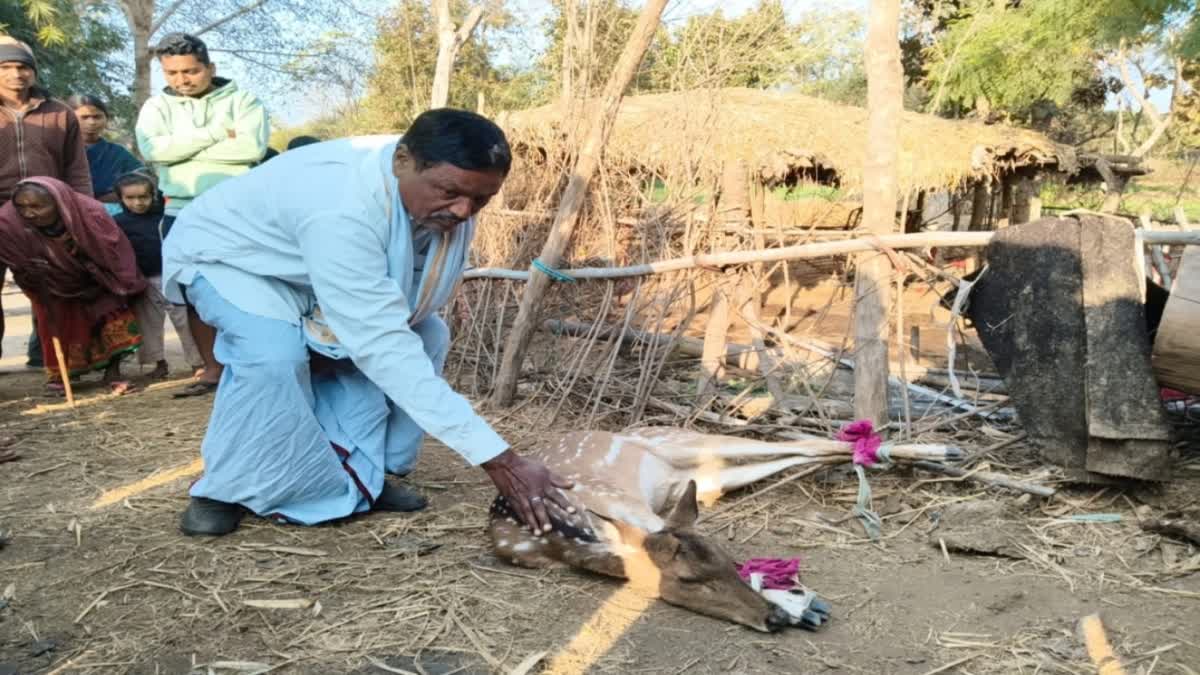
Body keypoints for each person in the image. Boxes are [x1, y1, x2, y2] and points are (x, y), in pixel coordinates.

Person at [162, 109, 574, 537]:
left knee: (428, 334)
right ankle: (221, 490)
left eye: (481, 200)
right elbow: (381, 342)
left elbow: (407, 299)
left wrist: (348, 341)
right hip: (234, 258)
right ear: (402, 161)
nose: (464, 211)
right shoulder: (341, 205)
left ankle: (365, 474)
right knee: (272, 355)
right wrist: (501, 461)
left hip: (304, 266)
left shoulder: (446, 198)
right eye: (450, 192)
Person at [135, 32, 269, 397]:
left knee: (252, 285)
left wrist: (181, 150)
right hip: (181, 210)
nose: (182, 80)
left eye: (191, 71)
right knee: (192, 291)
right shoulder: (155, 108)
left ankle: (256, 364)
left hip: (238, 209)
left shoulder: (243, 101)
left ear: (210, 67)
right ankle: (212, 369)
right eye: (172, 73)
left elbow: (250, 149)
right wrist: (218, 134)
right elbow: (154, 151)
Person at [0, 177, 145, 395]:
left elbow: (112, 253)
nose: (29, 213)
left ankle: (113, 371)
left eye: (38, 206)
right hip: (50, 283)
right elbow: (19, 262)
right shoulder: (8, 223)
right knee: (55, 323)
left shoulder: (90, 213)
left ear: (57, 202)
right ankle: (61, 375)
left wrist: (90, 268)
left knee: (110, 314)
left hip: (97, 278)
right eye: (22, 207)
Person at [0, 37, 93, 368]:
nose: (16, 75)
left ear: (34, 72)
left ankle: (54, 364)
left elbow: (76, 168)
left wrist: (83, 214)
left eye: (23, 67)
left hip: (47, 212)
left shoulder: (59, 113)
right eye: (6, 67)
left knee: (52, 288)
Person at [113, 171, 204, 379]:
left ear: (153, 195)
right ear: (120, 198)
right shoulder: (118, 223)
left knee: (184, 320)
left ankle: (197, 363)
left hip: (172, 277)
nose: (138, 203)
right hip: (142, 281)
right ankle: (158, 363)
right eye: (130, 198)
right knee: (148, 324)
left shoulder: (164, 218)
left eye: (143, 197)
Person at [67, 95, 143, 215]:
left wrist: (118, 194)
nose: (92, 122)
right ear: (69, 119)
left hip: (112, 213)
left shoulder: (118, 153)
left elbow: (143, 178)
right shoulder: (61, 150)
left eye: (97, 117)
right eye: (84, 117)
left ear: (106, 118)